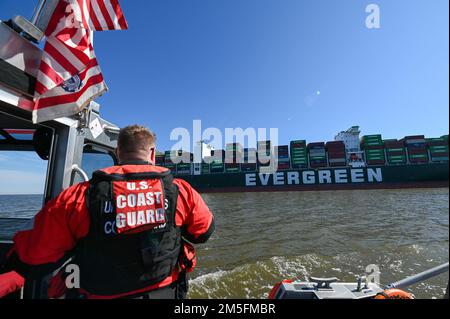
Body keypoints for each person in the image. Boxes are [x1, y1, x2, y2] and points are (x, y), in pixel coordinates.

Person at [1, 125, 215, 299]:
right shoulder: (181, 190)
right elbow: (203, 233)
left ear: (117, 153)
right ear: (152, 153)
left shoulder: (78, 196)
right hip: (166, 292)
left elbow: (32, 256)